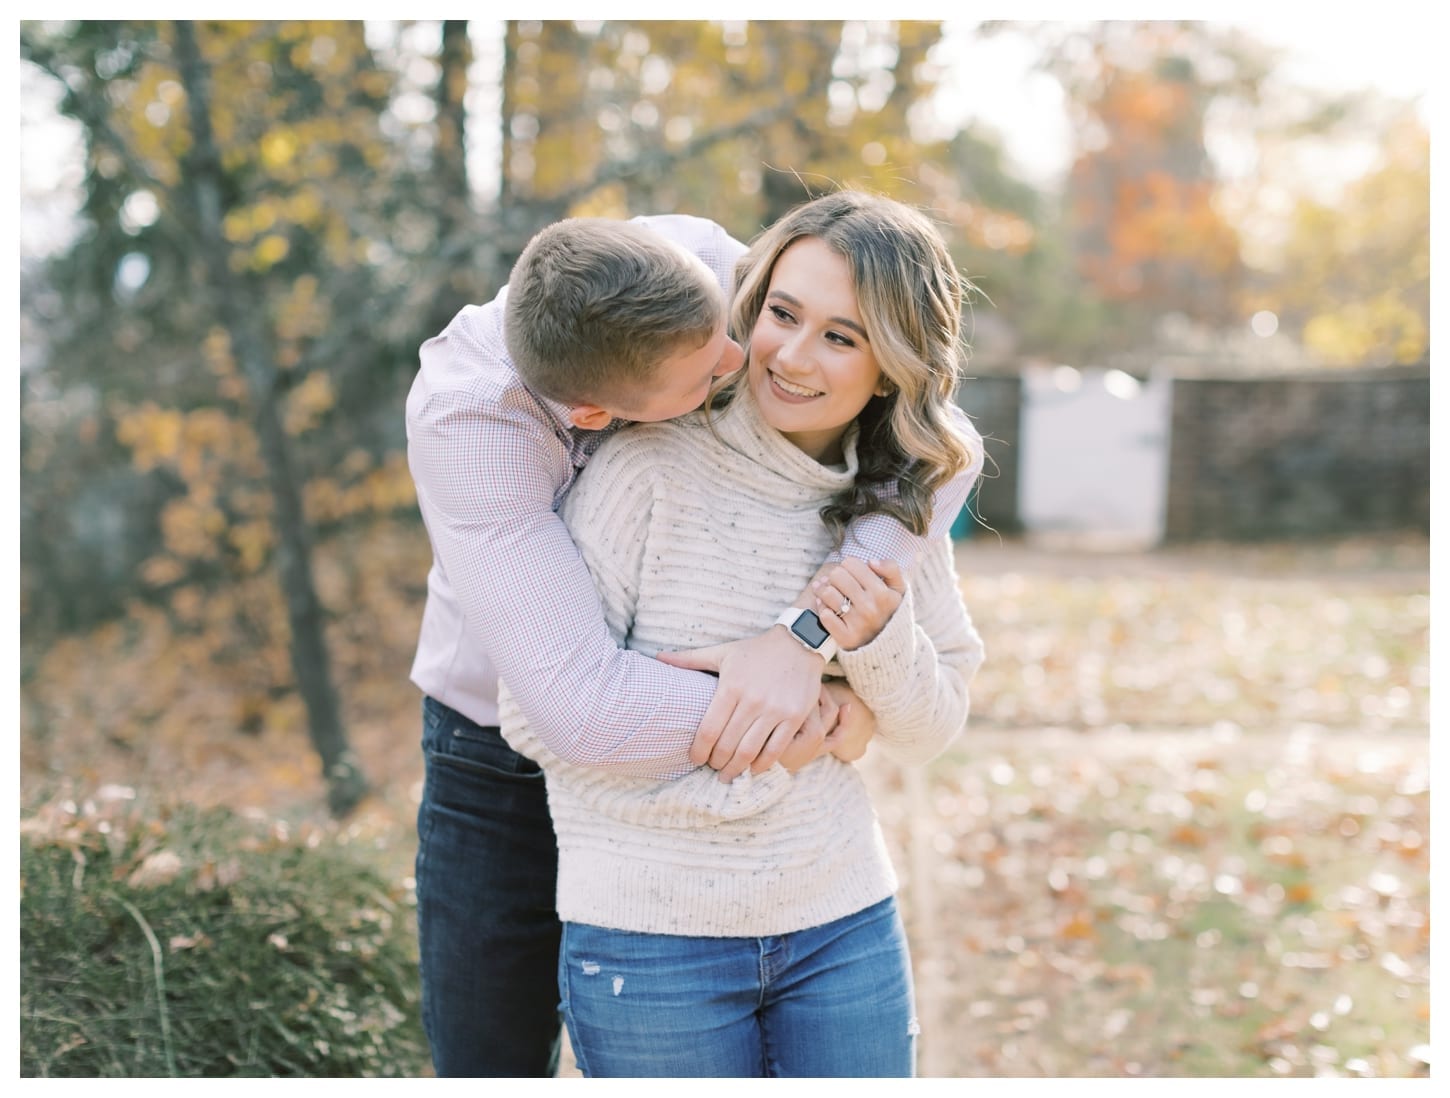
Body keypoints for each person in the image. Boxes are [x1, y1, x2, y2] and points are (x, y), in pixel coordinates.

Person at [405, 209, 982, 1076]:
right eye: (709, 365)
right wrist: (813, 716)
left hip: (798, 878)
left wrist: (809, 634)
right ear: (603, 417)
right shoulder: (475, 428)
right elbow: (576, 712)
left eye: (731, 325)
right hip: (494, 742)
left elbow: (934, 446)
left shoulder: (705, 273)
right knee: (491, 1056)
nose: (746, 357)